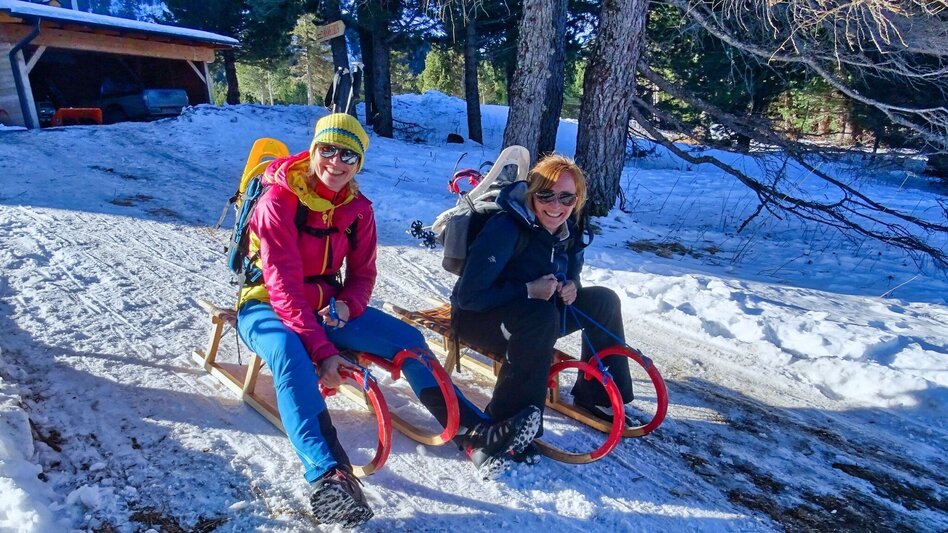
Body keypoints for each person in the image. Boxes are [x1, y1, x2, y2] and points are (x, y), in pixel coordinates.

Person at [236, 114, 540, 527]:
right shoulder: (278, 202)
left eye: (348, 154)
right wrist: (324, 354)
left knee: (408, 339)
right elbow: (283, 289)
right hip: (265, 305)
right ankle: (329, 475)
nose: (336, 162)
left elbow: (363, 277)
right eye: (327, 150)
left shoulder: (358, 210)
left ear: (358, 162)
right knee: (291, 354)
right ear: (313, 150)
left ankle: (475, 432)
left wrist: (346, 306)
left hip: (327, 307)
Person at [451, 154, 636, 464]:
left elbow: (568, 273)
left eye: (566, 196)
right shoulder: (505, 228)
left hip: (535, 318)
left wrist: (571, 287)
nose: (556, 204)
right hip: (479, 320)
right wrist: (527, 290)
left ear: (577, 199)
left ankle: (597, 396)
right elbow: (467, 297)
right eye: (546, 194)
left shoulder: (570, 228)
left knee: (604, 300)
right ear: (531, 193)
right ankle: (507, 422)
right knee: (540, 315)